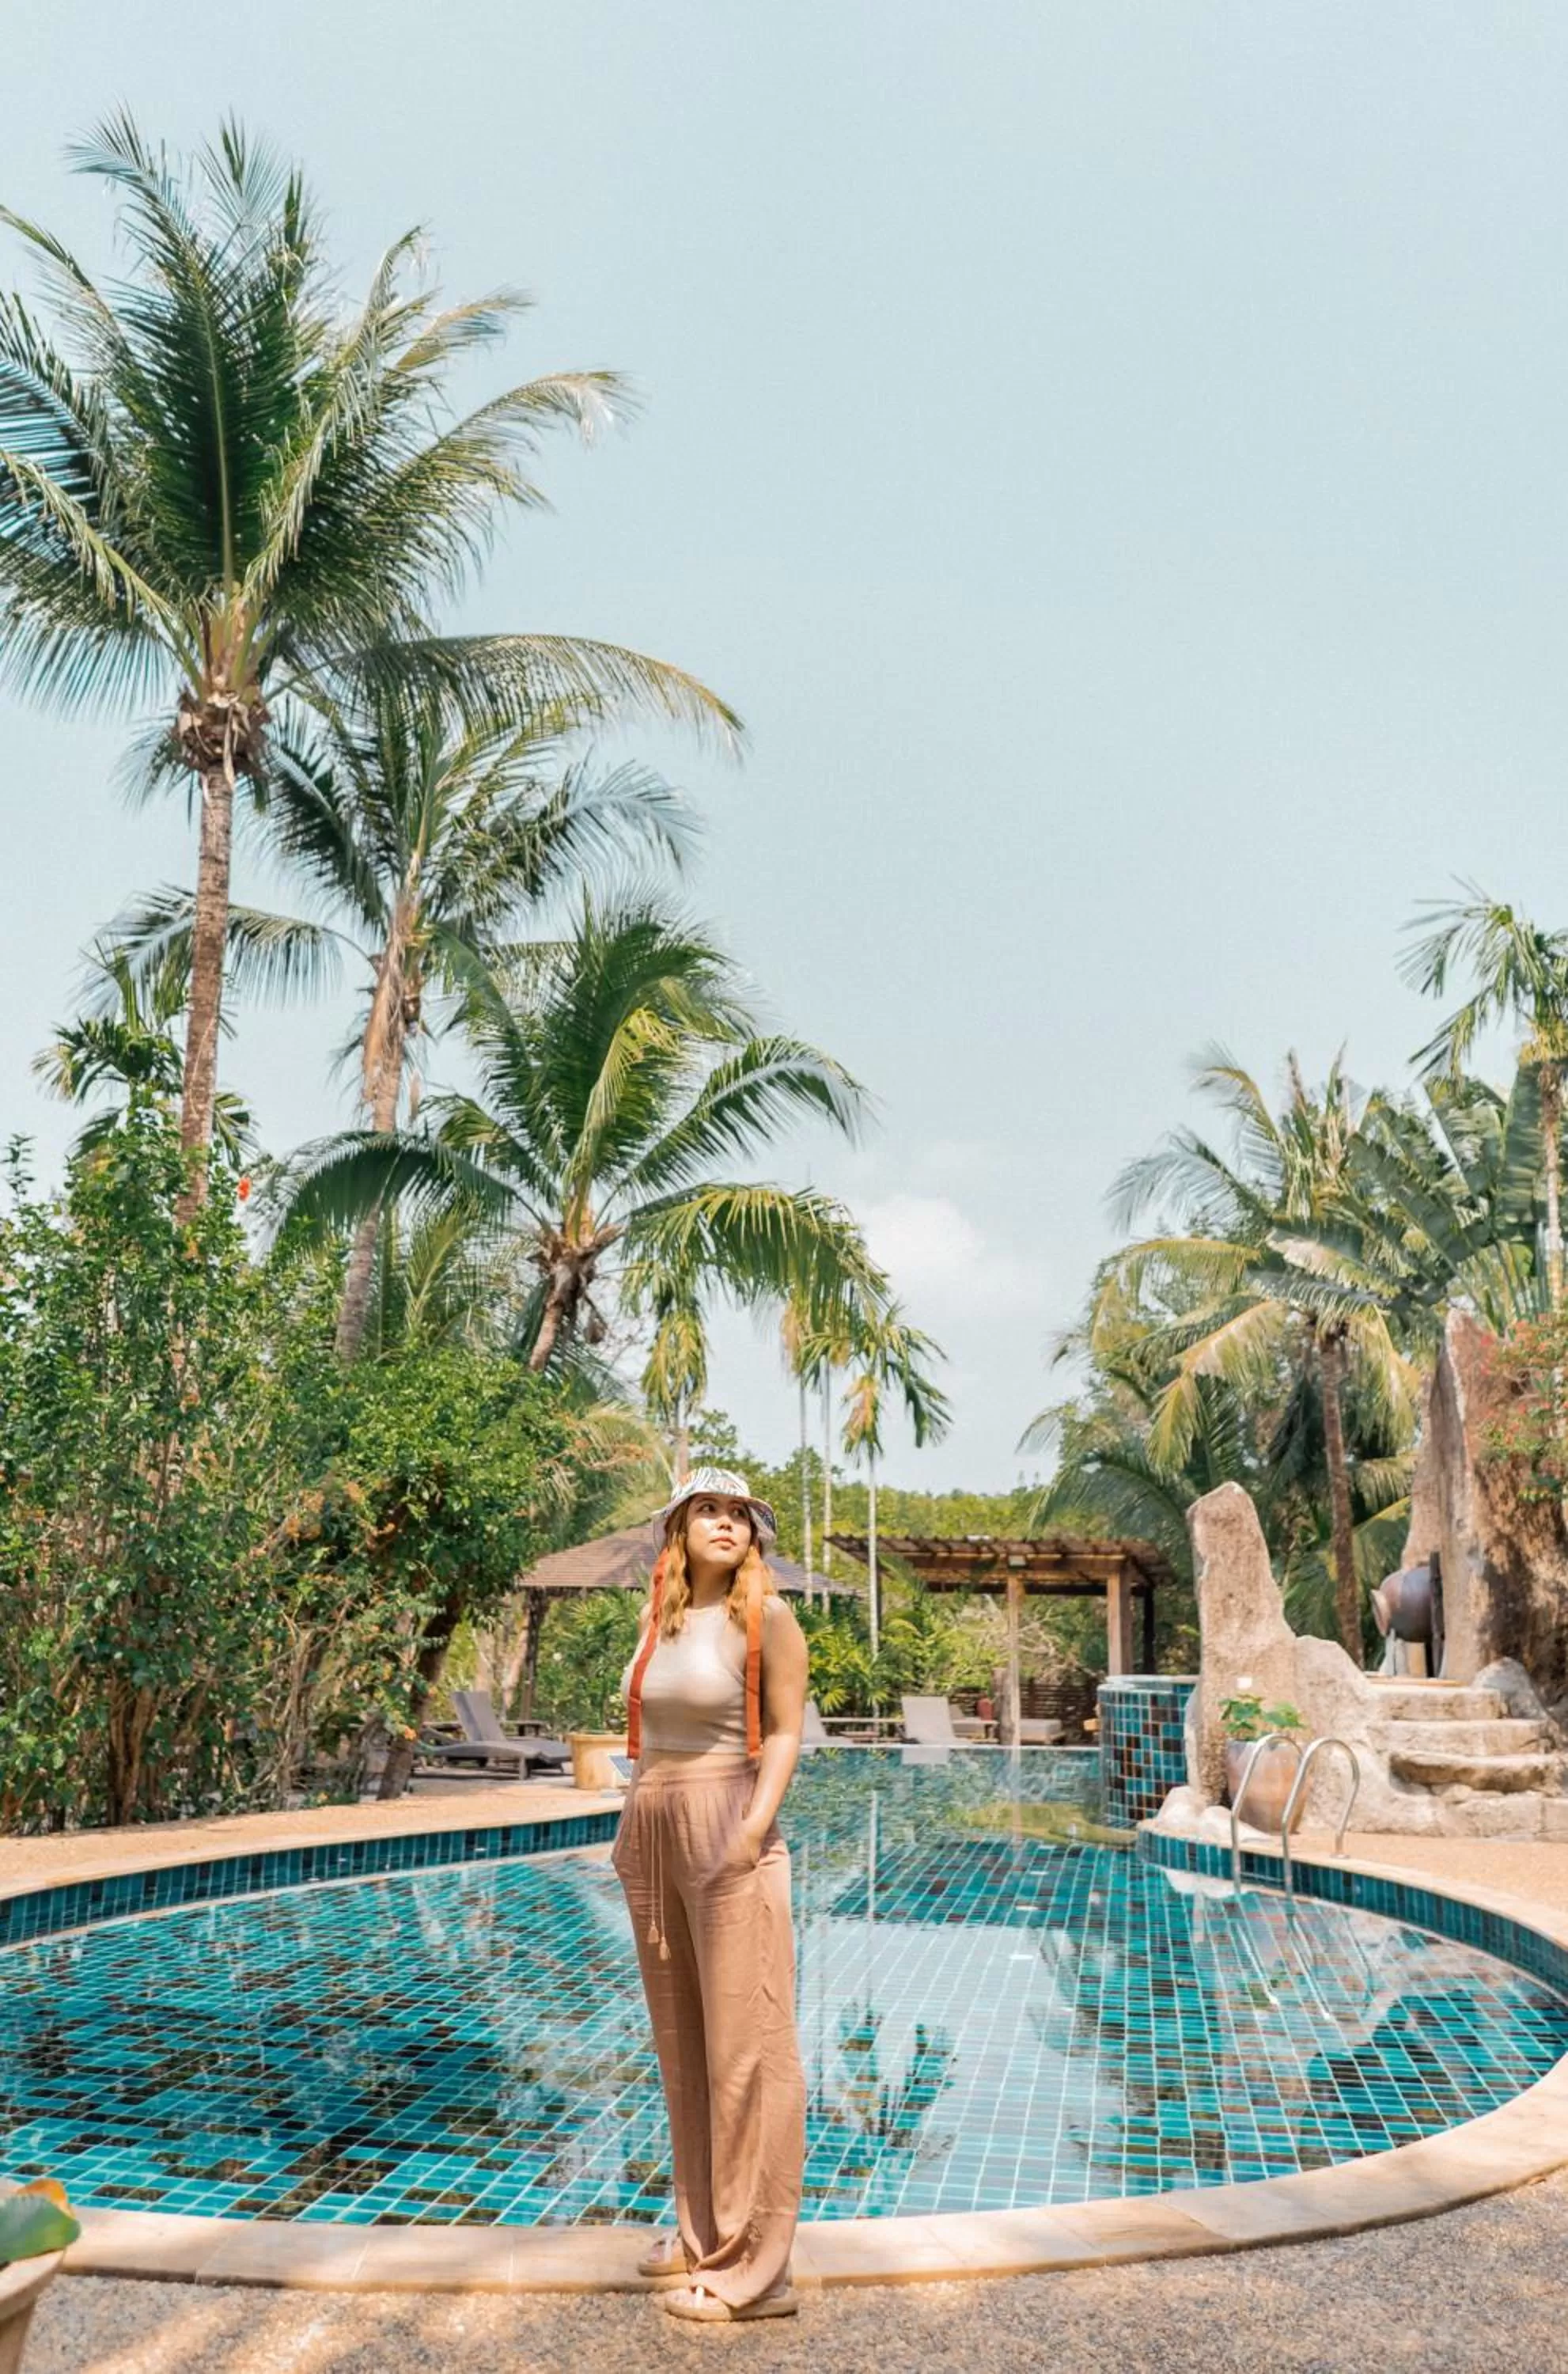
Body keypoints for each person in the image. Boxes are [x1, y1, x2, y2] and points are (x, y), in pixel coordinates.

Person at [612, 1466, 809, 2323]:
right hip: (654, 1825)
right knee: (684, 2045)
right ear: (680, 1531)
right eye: (708, 1511)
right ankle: (703, 2234)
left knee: (746, 2052)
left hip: (729, 1819)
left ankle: (757, 2269)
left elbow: (787, 1732)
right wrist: (633, 1828)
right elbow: (650, 1735)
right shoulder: (658, 1619)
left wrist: (751, 1829)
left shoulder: (766, 1617)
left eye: (738, 1513)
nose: (726, 1523)